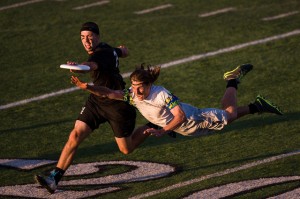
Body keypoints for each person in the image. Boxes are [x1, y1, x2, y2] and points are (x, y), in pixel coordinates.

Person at [35, 22, 153, 194]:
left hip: (118, 105)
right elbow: (124, 51)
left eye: (90, 37)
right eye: (83, 38)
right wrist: (121, 50)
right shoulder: (107, 49)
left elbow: (89, 66)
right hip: (97, 101)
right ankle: (54, 178)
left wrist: (78, 67)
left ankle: (153, 125)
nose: (87, 42)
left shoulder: (100, 55)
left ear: (98, 37)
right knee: (75, 135)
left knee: (126, 149)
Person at [71, 63, 283, 138]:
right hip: (186, 129)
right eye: (133, 87)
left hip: (193, 119)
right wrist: (87, 87)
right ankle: (257, 106)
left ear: (148, 85)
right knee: (226, 120)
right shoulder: (132, 95)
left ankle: (232, 79)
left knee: (229, 115)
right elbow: (108, 93)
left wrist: (163, 130)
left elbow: (179, 115)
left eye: (139, 87)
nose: (135, 91)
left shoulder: (161, 94)